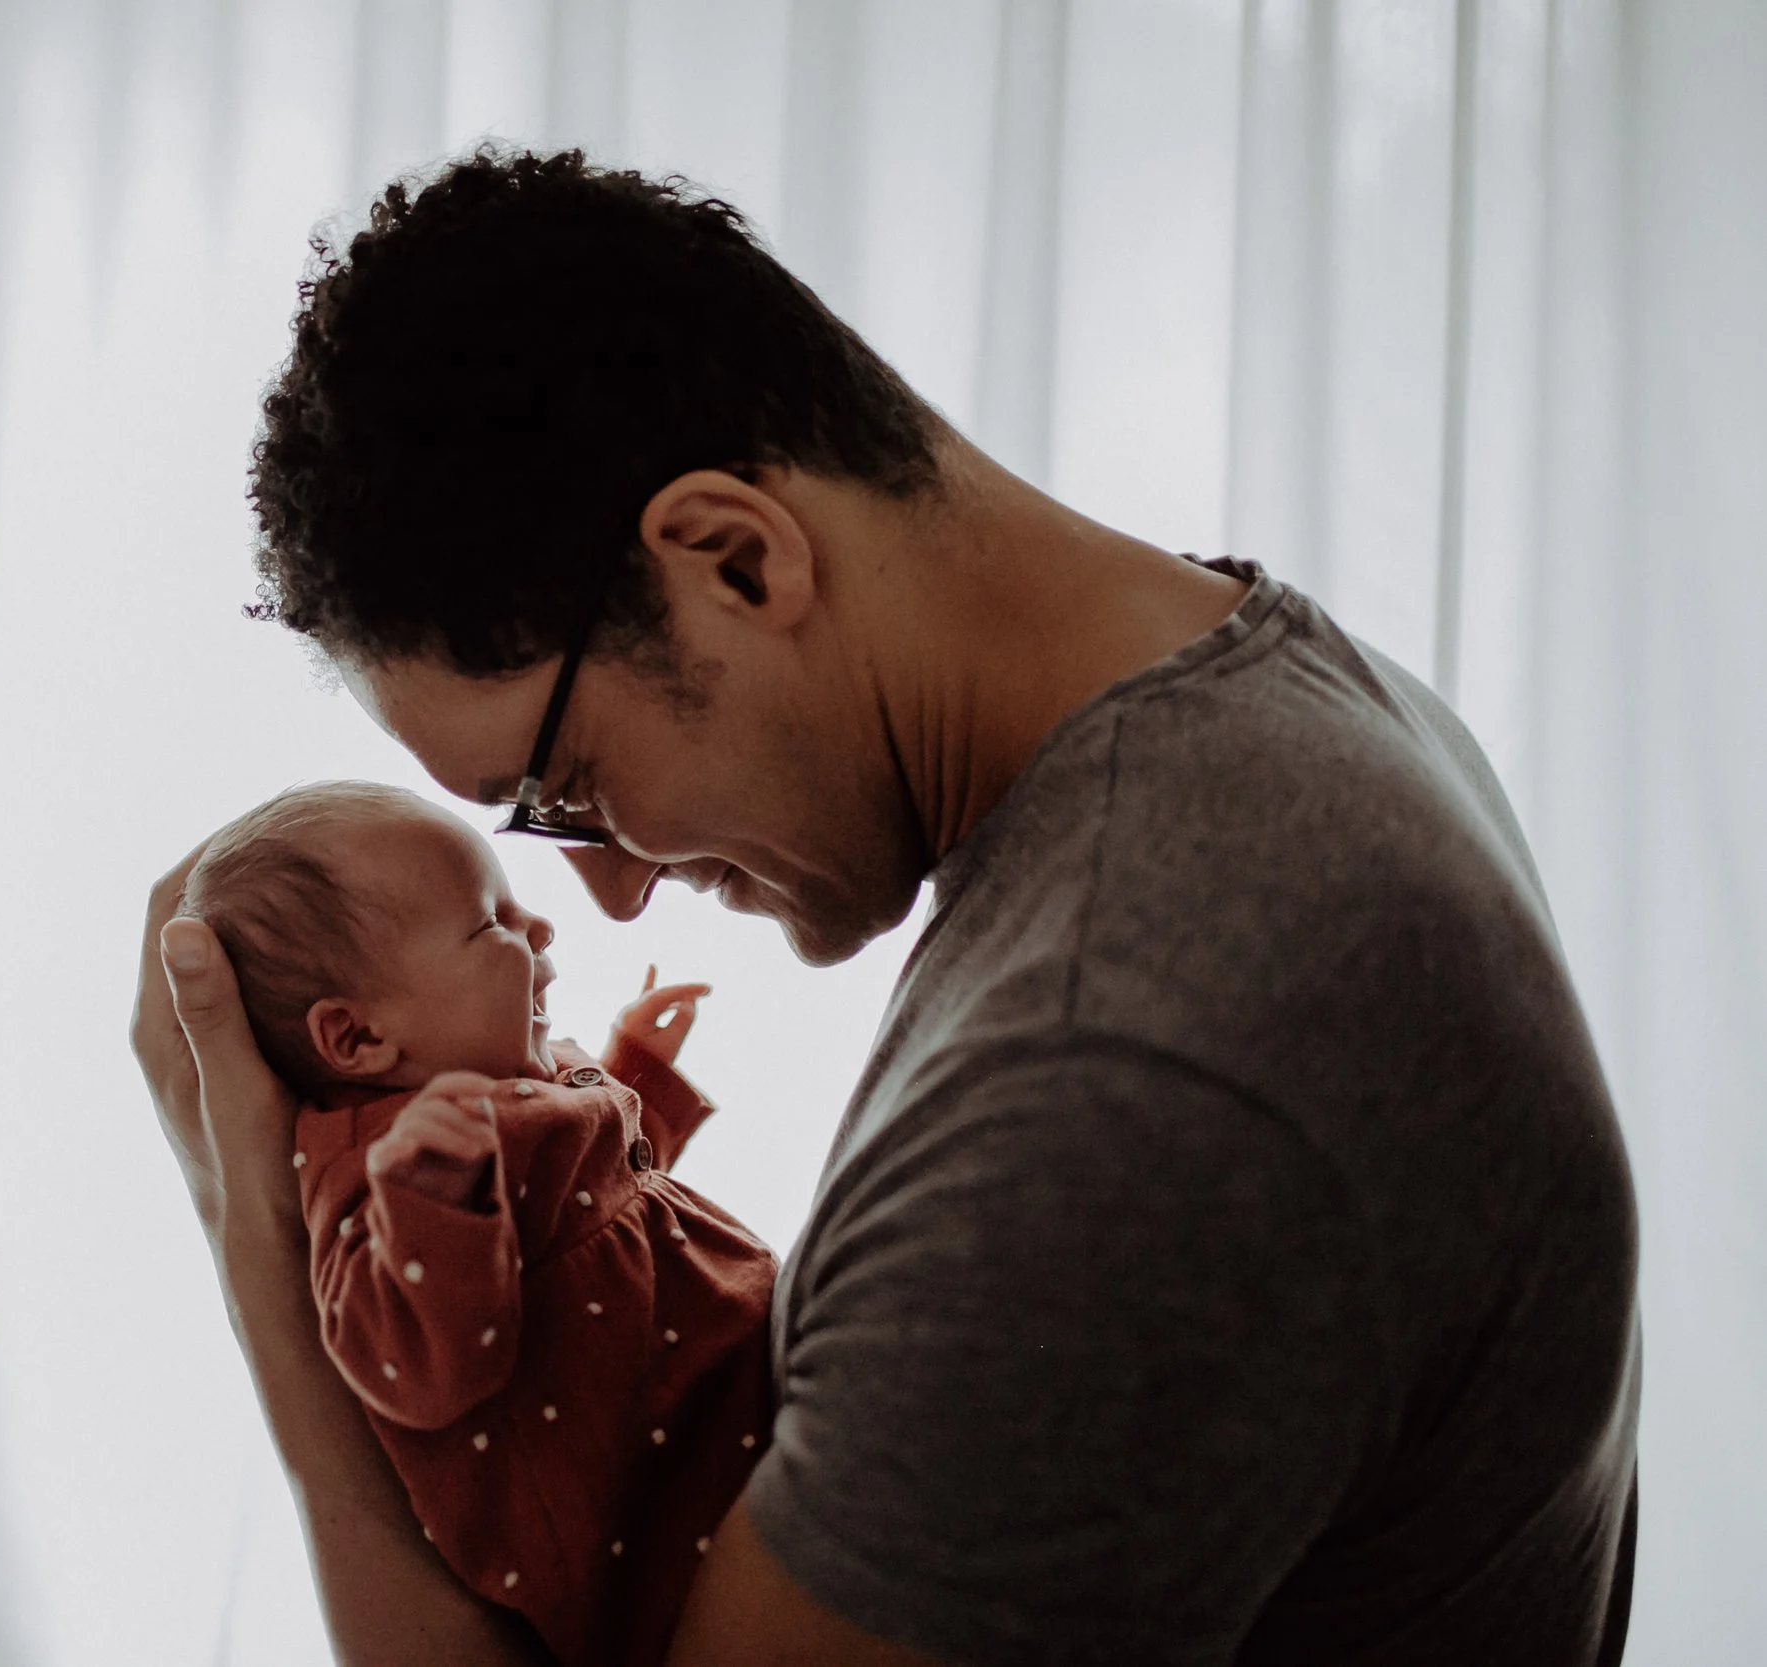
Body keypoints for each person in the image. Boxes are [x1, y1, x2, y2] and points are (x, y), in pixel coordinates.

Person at [130, 149, 1640, 1666]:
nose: (601, 881)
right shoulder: (1310, 709)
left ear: (735, 555)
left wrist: (256, 1244)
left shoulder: (1120, 1071)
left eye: (569, 785)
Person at [177, 780, 775, 1667]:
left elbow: (593, 1200)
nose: (539, 928)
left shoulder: (506, 1086)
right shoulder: (380, 1164)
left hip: (738, 1407)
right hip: (670, 1521)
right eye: (491, 923)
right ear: (355, 1038)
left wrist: (635, 1069)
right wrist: (432, 1201)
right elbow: (409, 1362)